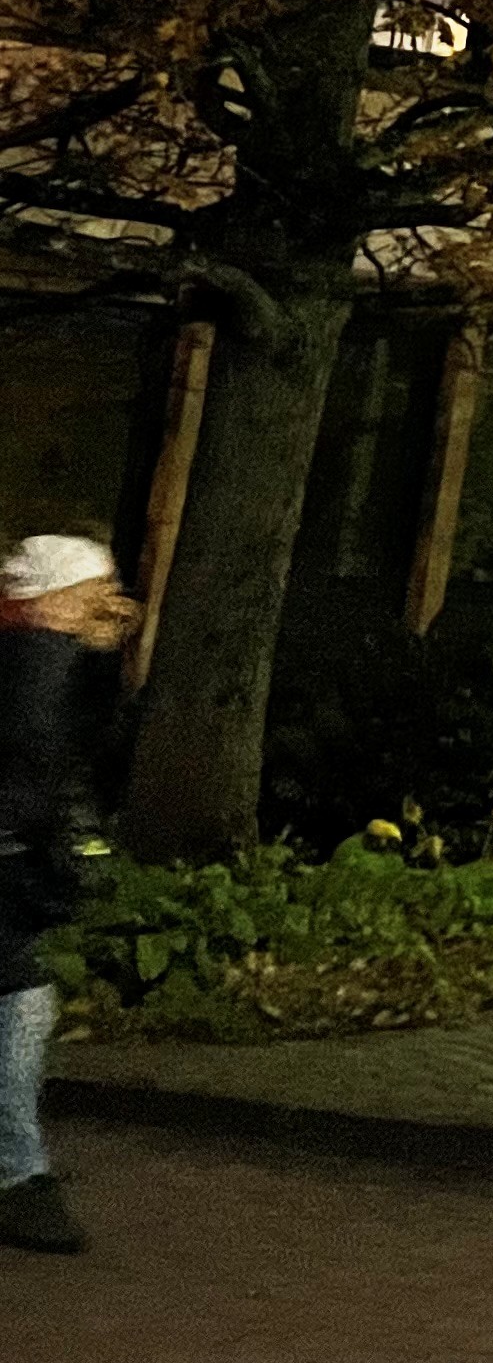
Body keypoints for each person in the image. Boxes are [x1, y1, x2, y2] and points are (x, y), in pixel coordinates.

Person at [0, 533, 132, 1256]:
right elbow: (38, 758)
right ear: (59, 597)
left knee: (20, 1008)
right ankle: (21, 1180)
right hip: (10, 866)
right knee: (20, 1012)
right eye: (93, 589)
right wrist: (60, 852)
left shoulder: (36, 654)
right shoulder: (39, 660)